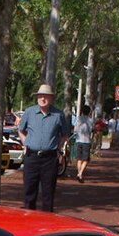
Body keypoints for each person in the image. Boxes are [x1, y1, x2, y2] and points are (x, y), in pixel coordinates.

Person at [18, 84, 70, 212]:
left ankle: (47, 222)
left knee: (48, 193)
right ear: (37, 98)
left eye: (46, 96)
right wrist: (26, 143)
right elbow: (21, 130)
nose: (43, 99)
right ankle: (29, 220)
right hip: (32, 157)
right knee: (29, 192)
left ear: (51, 98)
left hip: (49, 159)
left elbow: (64, 134)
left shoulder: (58, 115)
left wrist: (58, 150)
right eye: (40, 96)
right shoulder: (29, 112)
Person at [73, 104, 93, 183]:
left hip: (78, 140)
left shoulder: (78, 119)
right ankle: (80, 173)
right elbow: (91, 130)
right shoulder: (90, 120)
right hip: (87, 141)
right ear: (89, 112)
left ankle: (79, 173)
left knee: (79, 159)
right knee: (85, 159)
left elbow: (75, 129)